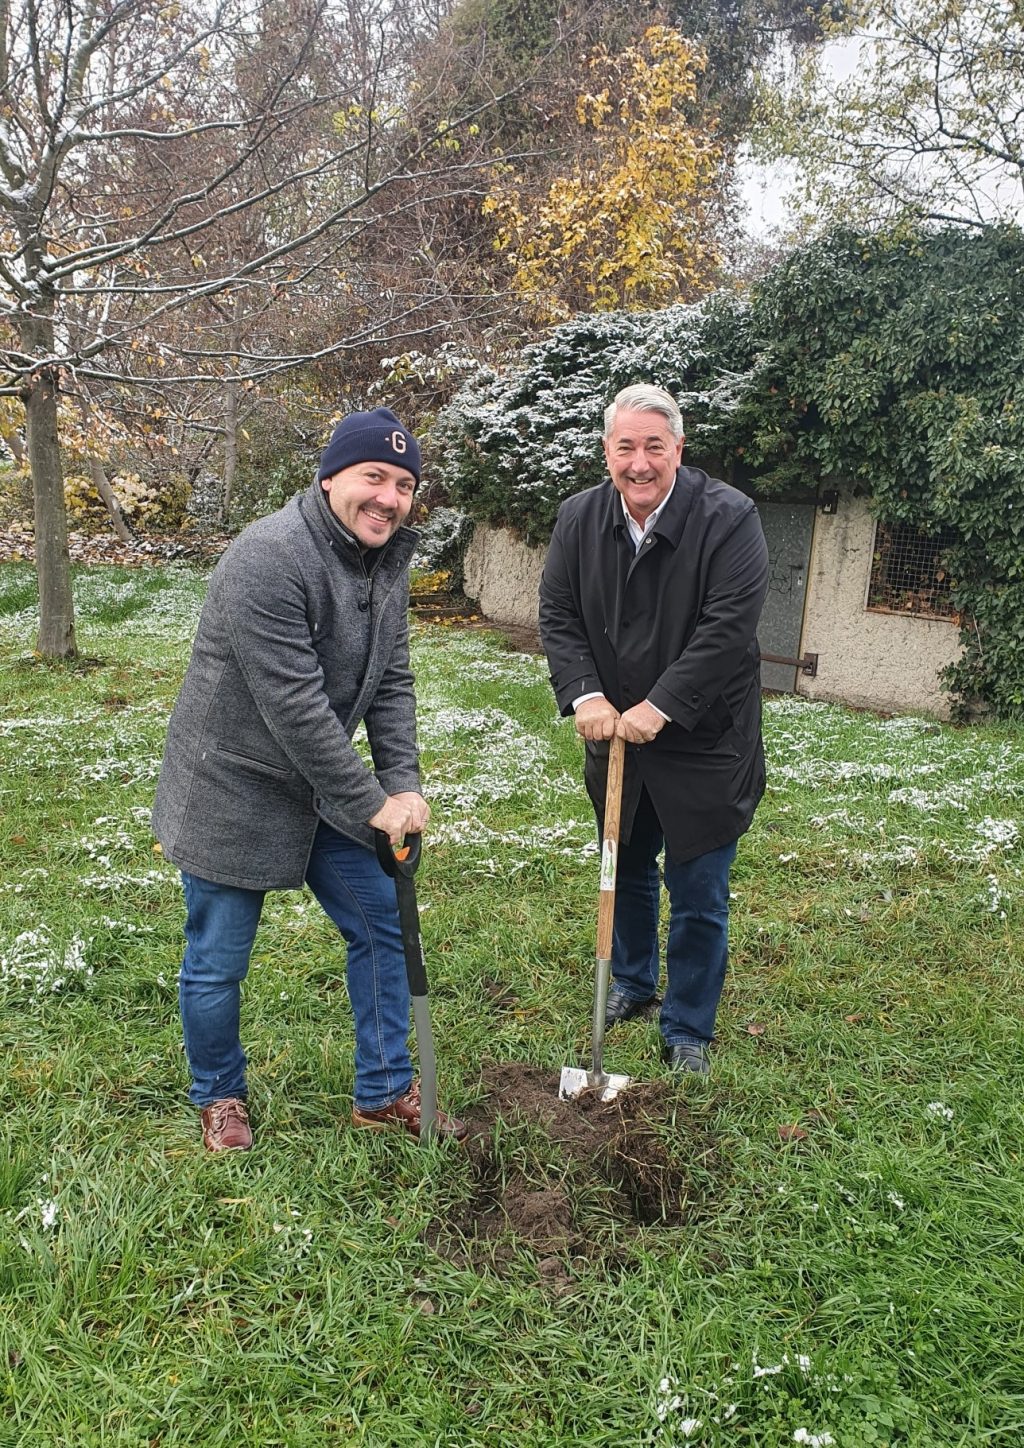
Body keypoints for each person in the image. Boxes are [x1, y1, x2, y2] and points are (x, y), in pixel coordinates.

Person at [152, 407, 466, 1149]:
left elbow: (392, 682)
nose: (389, 497)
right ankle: (219, 1094)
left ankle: (384, 1091)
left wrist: (404, 784)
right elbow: (293, 707)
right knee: (219, 960)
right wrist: (372, 804)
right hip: (232, 786)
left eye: (404, 484)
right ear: (330, 478)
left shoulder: (383, 561)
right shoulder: (268, 557)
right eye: (373, 477)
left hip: (320, 788)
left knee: (381, 923)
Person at [538, 384, 769, 1075]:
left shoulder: (729, 518)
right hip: (614, 740)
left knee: (699, 891)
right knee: (627, 867)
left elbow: (728, 629)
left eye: (654, 447)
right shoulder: (579, 519)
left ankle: (689, 1027)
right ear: (606, 451)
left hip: (705, 740)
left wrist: (661, 704)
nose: (640, 464)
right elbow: (558, 615)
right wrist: (584, 694)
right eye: (625, 447)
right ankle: (634, 984)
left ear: (678, 449)